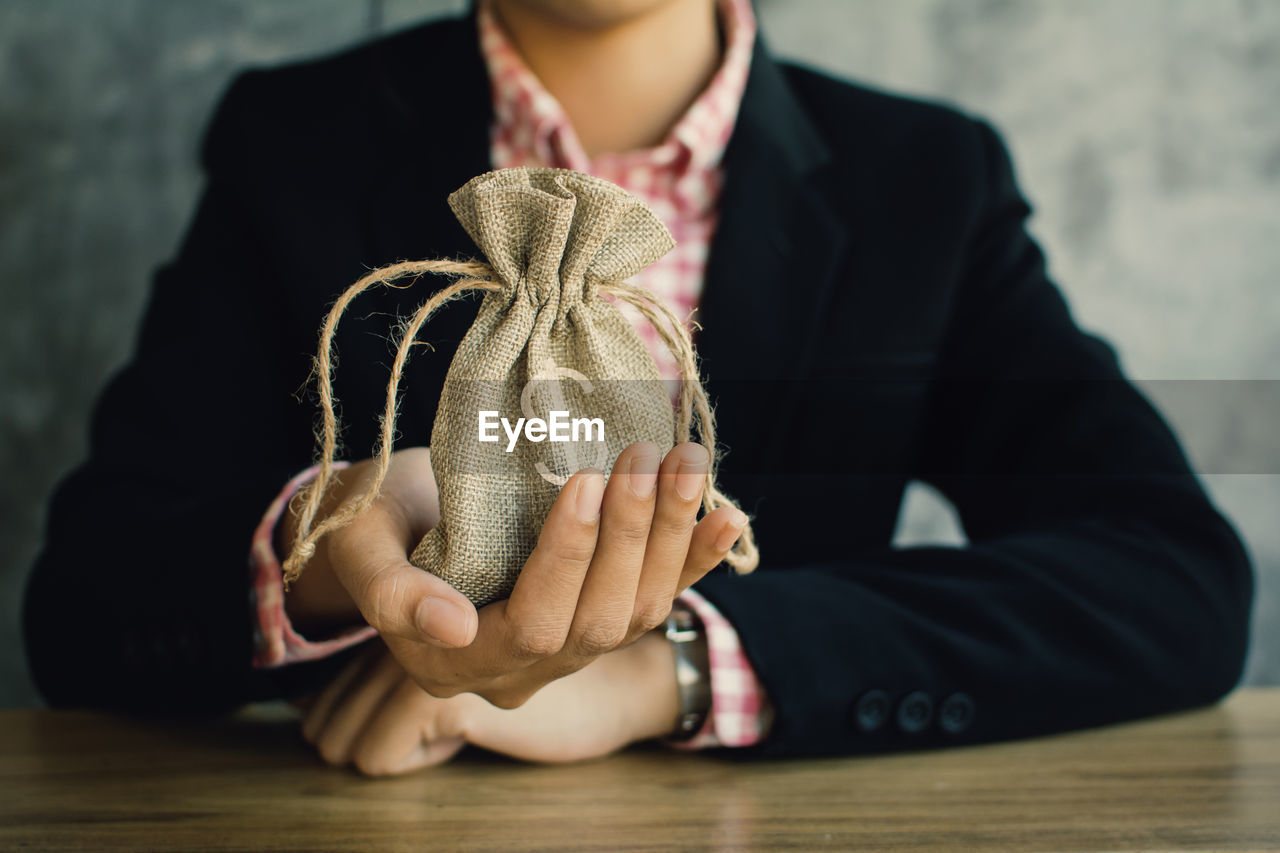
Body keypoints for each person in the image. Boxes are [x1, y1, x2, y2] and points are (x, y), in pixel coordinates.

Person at [24, 0, 1253, 776]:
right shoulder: (293, 139)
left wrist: (664, 669)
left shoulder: (920, 183)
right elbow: (82, 601)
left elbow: (1170, 575)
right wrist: (332, 545)